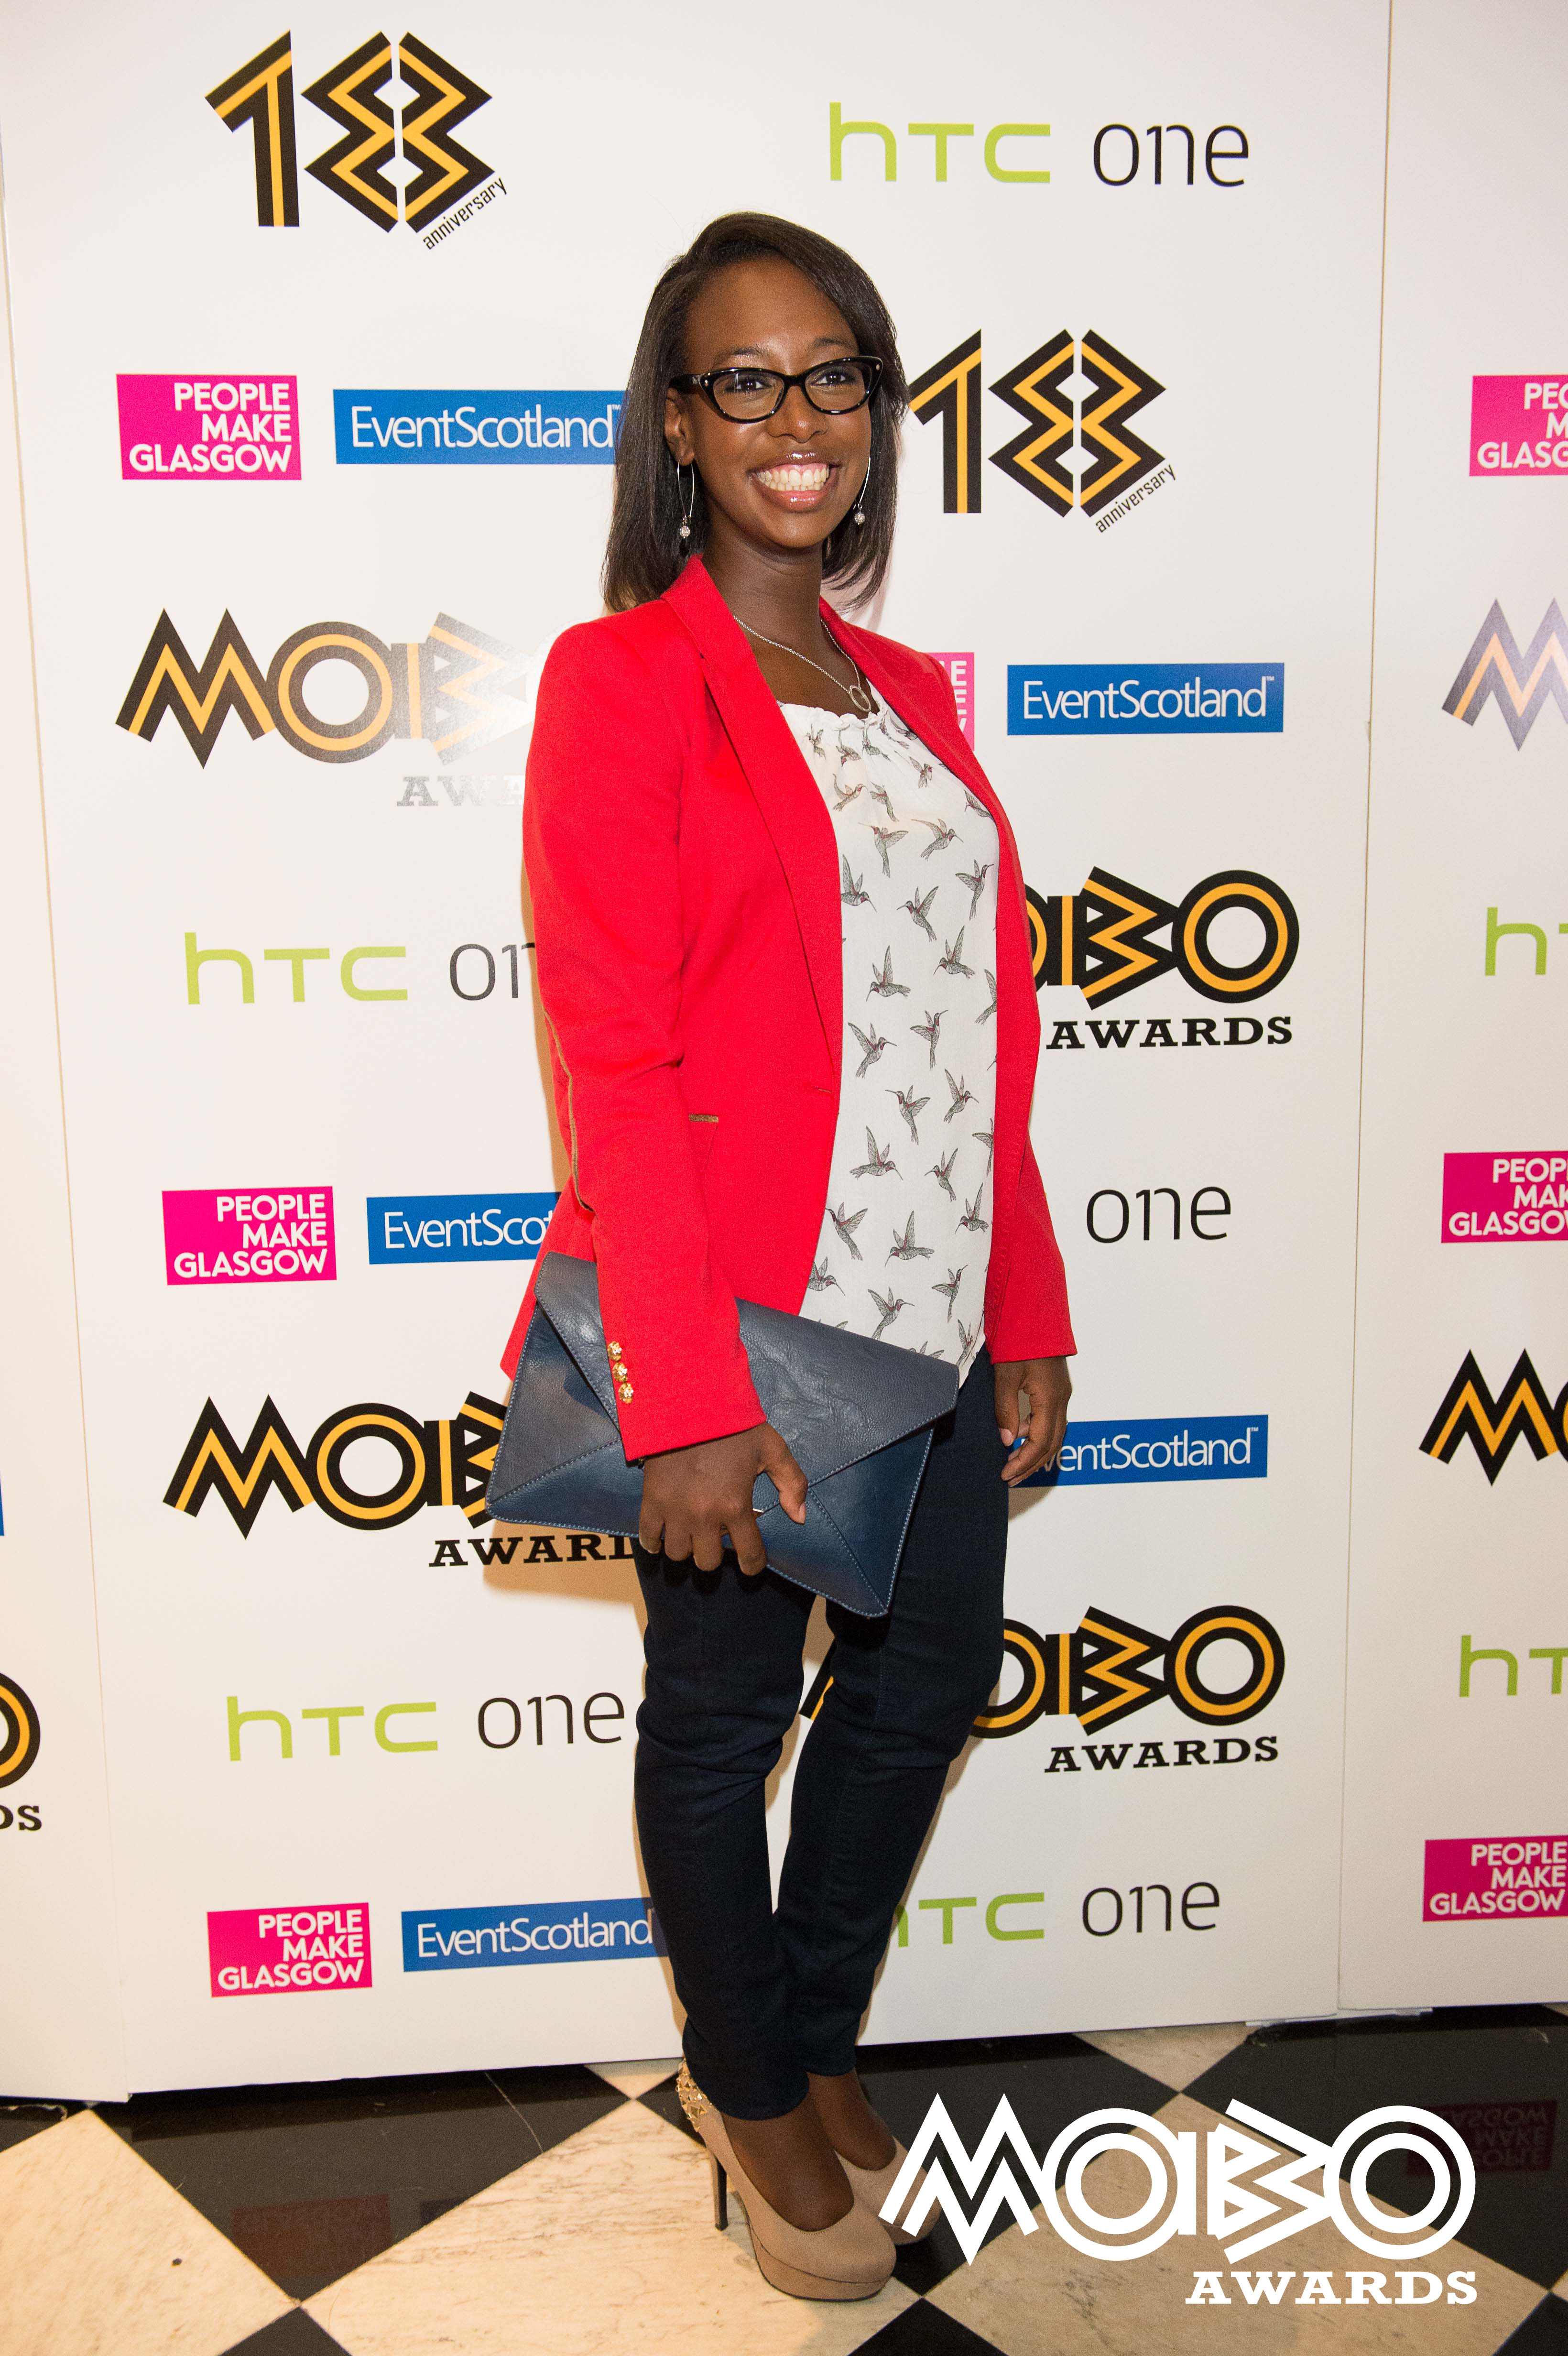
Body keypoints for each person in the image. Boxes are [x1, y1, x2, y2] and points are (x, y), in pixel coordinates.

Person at [501, 212, 1075, 2301]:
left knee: (922, 1690)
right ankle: (747, 2085)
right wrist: (681, 1395)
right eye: (744, 379)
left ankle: (817, 2031)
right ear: (678, 422)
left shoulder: (905, 690)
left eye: (833, 373)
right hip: (741, 1321)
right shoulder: (620, 681)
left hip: (934, 1309)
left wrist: (1027, 1306)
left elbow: (971, 1033)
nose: (796, 416)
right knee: (721, 1718)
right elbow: (622, 1060)